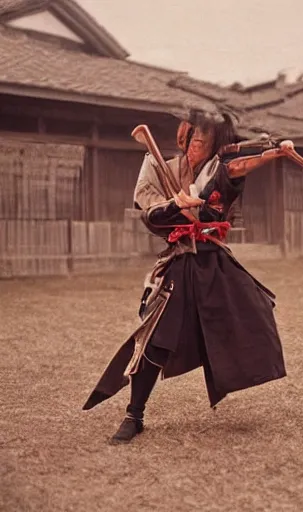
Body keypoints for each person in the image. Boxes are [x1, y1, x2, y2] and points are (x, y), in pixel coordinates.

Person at [83, 109, 289, 444]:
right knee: (155, 337)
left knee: (253, 315)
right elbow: (150, 212)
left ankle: (239, 375)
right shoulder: (162, 168)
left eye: (206, 143)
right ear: (185, 136)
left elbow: (239, 166)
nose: (198, 149)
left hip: (215, 263)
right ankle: (134, 415)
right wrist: (174, 206)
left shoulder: (219, 170)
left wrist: (273, 152)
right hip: (180, 262)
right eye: (195, 141)